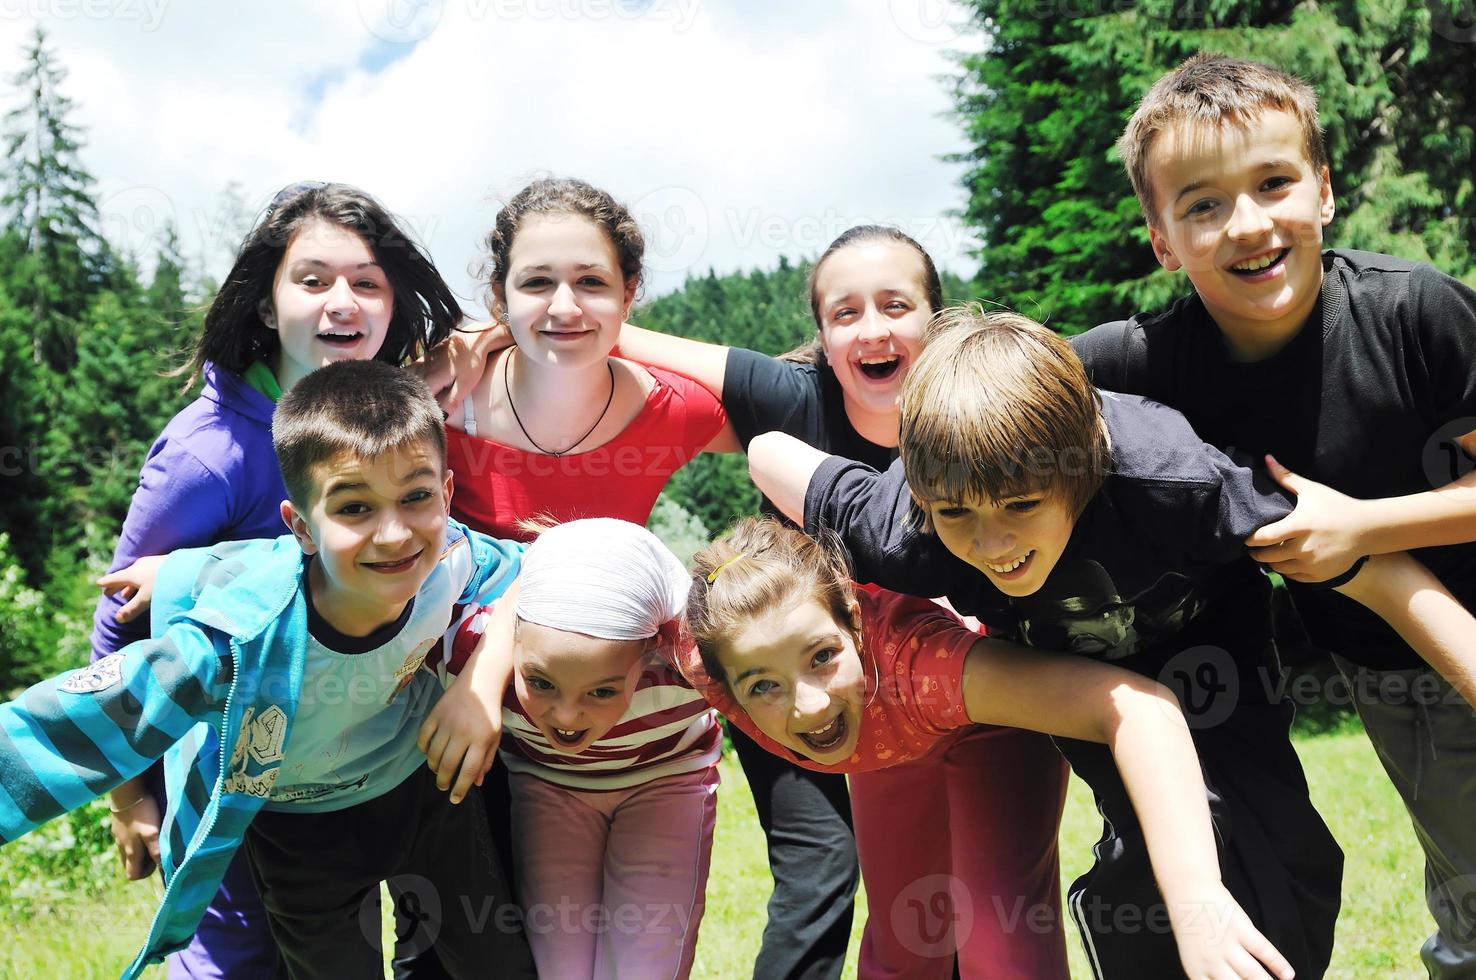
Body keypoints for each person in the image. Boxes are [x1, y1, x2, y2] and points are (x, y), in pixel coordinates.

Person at [750, 308, 1476, 979]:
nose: (992, 543)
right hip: (1081, 673)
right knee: (1148, 865)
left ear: (1083, 467)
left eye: (1022, 506)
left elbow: (1374, 570)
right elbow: (768, 452)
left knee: (1284, 852)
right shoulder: (905, 525)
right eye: (958, 514)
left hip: (1208, 657)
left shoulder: (1177, 484)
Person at [425, 224, 1069, 978]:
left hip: (960, 678)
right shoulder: (797, 402)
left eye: (896, 304)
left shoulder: (975, 405)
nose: (872, 328)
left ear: (938, 316)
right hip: (817, 682)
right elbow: (629, 338)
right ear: (822, 335)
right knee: (902, 927)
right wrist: (504, 325)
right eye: (844, 312)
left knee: (978, 920)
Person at [1071, 53, 1476, 974]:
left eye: (1273, 183)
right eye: (1203, 203)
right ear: (1161, 237)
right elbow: (998, 387)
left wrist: (1360, 529)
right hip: (1382, 668)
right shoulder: (1147, 363)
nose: (1247, 224)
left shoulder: (1414, 314)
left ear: (1324, 191)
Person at [0, 361, 535, 980]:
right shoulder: (234, 644)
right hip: (304, 836)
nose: (393, 534)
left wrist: (478, 684)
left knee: (497, 964)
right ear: (302, 526)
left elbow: (545, 565)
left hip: (429, 792)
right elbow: (61, 729)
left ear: (445, 494)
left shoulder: (452, 555)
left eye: (415, 496)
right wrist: (179, 578)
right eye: (354, 508)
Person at [91, 181, 464, 979]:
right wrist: (130, 799)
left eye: (368, 282)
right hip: (232, 772)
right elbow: (118, 622)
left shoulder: (396, 413)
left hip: (360, 764)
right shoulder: (209, 453)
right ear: (267, 306)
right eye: (314, 279)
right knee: (241, 963)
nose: (344, 300)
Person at [677, 516, 1300, 980]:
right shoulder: (700, 660)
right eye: (763, 684)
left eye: (822, 656)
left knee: (1001, 948)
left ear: (853, 624)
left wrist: (1195, 897)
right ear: (722, 680)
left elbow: (1139, 708)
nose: (808, 706)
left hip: (978, 722)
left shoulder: (928, 668)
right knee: (903, 950)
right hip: (884, 741)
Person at [445, 518, 720, 978]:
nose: (566, 716)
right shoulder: (471, 654)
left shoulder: (692, 663)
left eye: (601, 692)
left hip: (666, 786)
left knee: (646, 966)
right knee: (559, 966)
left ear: (649, 649)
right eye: (542, 682)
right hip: (550, 789)